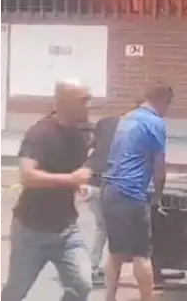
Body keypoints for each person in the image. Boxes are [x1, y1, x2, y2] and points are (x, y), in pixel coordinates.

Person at [1, 78, 94, 301]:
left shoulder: (83, 133)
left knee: (82, 284)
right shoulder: (40, 133)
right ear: (65, 102)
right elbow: (27, 176)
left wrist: (81, 182)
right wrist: (70, 180)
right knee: (16, 290)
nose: (89, 105)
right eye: (83, 100)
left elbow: (81, 164)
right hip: (31, 230)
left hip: (66, 229)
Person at [100, 83, 173, 301]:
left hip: (110, 190)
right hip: (131, 192)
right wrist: (157, 197)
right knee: (142, 254)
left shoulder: (126, 119)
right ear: (163, 101)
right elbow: (159, 168)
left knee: (116, 252)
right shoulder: (155, 123)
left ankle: (109, 297)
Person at [83, 114, 119, 286]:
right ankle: (92, 267)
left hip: (91, 181)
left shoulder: (105, 123)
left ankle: (95, 266)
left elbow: (89, 146)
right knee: (105, 228)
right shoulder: (129, 130)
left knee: (103, 227)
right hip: (104, 184)